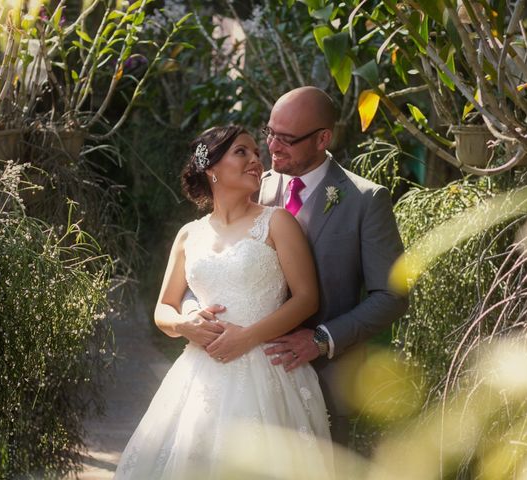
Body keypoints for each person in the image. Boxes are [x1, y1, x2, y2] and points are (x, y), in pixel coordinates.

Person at [192, 87, 409, 446]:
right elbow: (204, 260)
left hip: (324, 378)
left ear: (323, 138)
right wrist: (192, 316)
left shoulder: (365, 201)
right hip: (240, 376)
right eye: (270, 133)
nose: (273, 147)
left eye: (287, 139)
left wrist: (323, 340)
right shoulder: (251, 186)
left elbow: (392, 295)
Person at [114, 125, 332, 479]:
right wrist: (185, 325)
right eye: (241, 152)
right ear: (212, 169)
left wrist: (247, 337)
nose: (255, 161)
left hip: (268, 372)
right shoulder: (189, 235)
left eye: (256, 154)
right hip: (199, 375)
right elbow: (163, 309)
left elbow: (307, 299)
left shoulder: (278, 222)